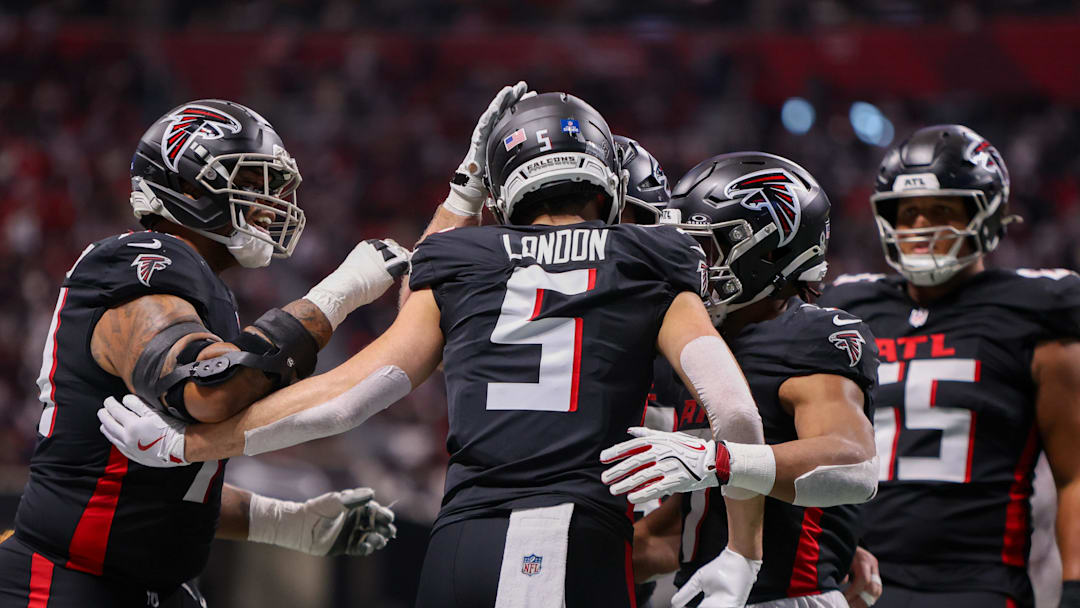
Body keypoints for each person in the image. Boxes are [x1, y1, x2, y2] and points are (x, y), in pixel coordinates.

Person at [96, 91, 769, 608]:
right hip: (566, 539)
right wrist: (744, 551)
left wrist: (191, 445)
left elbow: (351, 395)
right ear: (607, 181)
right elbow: (734, 416)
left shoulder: (459, 255)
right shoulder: (650, 254)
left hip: (459, 547)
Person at [0, 99, 402, 608]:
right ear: (187, 186)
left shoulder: (198, 287)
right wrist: (338, 294)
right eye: (249, 183)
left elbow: (162, 491)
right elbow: (205, 389)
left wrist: (289, 524)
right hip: (65, 584)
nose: (268, 202)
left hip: (148, 588)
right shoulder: (138, 262)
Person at [600, 152, 880, 608]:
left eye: (706, 249)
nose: (693, 266)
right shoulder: (697, 345)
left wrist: (721, 461)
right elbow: (680, 531)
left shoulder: (808, 335)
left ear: (770, 252)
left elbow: (853, 464)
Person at [819, 124, 1080, 608]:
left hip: (973, 585)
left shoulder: (1036, 310)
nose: (921, 226)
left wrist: (1075, 588)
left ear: (987, 213)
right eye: (908, 211)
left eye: (942, 210)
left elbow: (1075, 474)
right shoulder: (850, 307)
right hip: (852, 577)